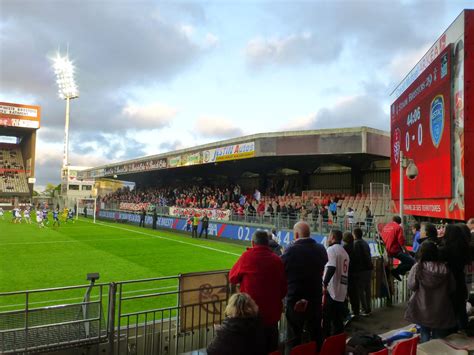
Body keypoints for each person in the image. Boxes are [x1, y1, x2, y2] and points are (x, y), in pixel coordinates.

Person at [229, 231, 287, 353]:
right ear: (267, 243)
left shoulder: (247, 257)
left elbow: (232, 277)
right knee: (272, 350)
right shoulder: (277, 260)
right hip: (272, 317)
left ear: (252, 243)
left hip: (251, 318)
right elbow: (283, 289)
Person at [282, 221, 328, 349]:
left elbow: (281, 267)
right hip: (315, 297)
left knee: (293, 336)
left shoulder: (290, 250)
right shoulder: (320, 248)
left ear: (296, 235)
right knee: (315, 333)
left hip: (295, 300)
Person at [405, 241, 456, 343]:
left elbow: (411, 285)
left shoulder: (418, 267)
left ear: (421, 252)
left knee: (424, 333)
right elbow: (452, 288)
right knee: (438, 336)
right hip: (440, 308)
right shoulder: (445, 268)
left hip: (422, 308)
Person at [439, 224, 470, 331]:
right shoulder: (466, 248)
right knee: (461, 305)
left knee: (450, 307)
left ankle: (452, 329)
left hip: (449, 280)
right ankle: (464, 327)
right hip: (460, 279)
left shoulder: (445, 249)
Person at [323, 229, 349, 338]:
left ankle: (327, 345)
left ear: (333, 237)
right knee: (338, 322)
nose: (328, 239)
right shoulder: (344, 252)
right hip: (341, 290)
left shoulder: (331, 250)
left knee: (327, 320)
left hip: (332, 290)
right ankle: (337, 345)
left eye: (329, 236)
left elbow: (331, 267)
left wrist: (324, 283)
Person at [381, 216, 414, 281]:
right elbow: (401, 242)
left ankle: (400, 271)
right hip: (395, 251)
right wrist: (407, 252)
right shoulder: (398, 227)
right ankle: (397, 271)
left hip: (387, 250)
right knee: (412, 262)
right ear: (399, 222)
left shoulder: (385, 227)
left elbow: (382, 238)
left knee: (406, 259)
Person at [352, 227, 373, 316]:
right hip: (368, 269)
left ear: (355, 235)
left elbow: (356, 258)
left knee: (360, 290)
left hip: (361, 270)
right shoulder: (365, 243)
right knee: (367, 289)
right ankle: (368, 307)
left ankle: (364, 309)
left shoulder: (356, 244)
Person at [342, 231, 358, 318]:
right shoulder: (355, 246)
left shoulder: (345, 248)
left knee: (345, 293)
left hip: (347, 273)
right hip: (355, 272)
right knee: (354, 294)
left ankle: (346, 312)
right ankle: (356, 311)